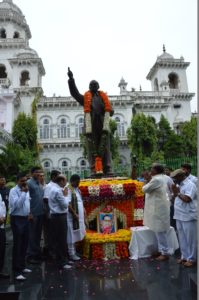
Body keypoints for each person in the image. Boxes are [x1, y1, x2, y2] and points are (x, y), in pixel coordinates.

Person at [67, 67, 114, 175]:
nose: (93, 86)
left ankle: (107, 169)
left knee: (105, 147)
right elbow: (74, 93)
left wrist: (109, 111)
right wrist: (71, 79)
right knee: (92, 148)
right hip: (90, 127)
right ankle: (94, 169)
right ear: (89, 87)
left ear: (98, 87)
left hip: (103, 126)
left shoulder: (103, 98)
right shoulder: (85, 98)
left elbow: (110, 111)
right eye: (91, 85)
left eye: (95, 84)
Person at [142, 163, 170, 261]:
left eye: (152, 169)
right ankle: (161, 250)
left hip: (158, 208)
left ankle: (165, 252)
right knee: (158, 230)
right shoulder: (161, 177)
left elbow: (144, 189)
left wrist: (146, 179)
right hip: (159, 207)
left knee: (160, 230)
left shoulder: (157, 179)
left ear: (157, 171)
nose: (150, 170)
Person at [170, 169, 197, 267]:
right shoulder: (178, 185)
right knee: (182, 238)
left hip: (188, 216)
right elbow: (174, 200)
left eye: (175, 178)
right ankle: (184, 257)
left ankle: (192, 259)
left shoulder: (190, 185)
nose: (173, 180)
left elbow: (187, 199)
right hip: (179, 215)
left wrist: (177, 193)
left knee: (191, 239)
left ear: (181, 176)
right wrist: (174, 193)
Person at [9, 172, 32, 281]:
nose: (24, 182)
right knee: (18, 244)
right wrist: (23, 193)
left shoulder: (26, 189)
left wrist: (29, 212)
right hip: (17, 219)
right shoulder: (13, 191)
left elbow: (27, 203)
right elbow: (17, 205)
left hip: (25, 218)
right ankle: (16, 270)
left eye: (25, 180)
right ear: (17, 181)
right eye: (22, 181)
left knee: (25, 243)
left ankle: (22, 266)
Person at [48, 174, 72, 269]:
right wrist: (66, 196)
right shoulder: (58, 191)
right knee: (61, 239)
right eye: (65, 181)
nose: (66, 183)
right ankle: (62, 262)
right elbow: (64, 205)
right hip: (59, 217)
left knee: (59, 239)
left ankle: (63, 260)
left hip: (57, 216)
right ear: (61, 181)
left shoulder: (54, 189)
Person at [27, 166, 44, 264]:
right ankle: (30, 256)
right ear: (32, 173)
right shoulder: (29, 183)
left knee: (38, 235)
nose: (39, 174)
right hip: (33, 214)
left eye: (40, 172)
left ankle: (37, 254)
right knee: (32, 235)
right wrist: (29, 213)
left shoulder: (39, 183)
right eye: (37, 172)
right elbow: (26, 199)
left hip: (40, 213)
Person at [67, 174, 86, 261]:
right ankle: (71, 253)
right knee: (71, 234)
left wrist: (84, 209)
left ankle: (74, 251)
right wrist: (74, 213)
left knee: (76, 233)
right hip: (72, 217)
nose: (79, 184)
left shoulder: (76, 189)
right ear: (73, 181)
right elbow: (68, 203)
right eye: (77, 182)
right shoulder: (68, 188)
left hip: (78, 216)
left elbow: (79, 200)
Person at [43, 170, 61, 258]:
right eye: (58, 176)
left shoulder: (58, 185)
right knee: (51, 233)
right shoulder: (49, 186)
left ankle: (57, 250)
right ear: (53, 177)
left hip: (58, 213)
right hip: (52, 212)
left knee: (57, 233)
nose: (60, 177)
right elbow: (45, 199)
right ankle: (51, 251)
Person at [0, 194, 9, 279]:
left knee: (2, 249)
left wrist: (3, 217)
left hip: (1, 225)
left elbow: (3, 206)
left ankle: (0, 270)